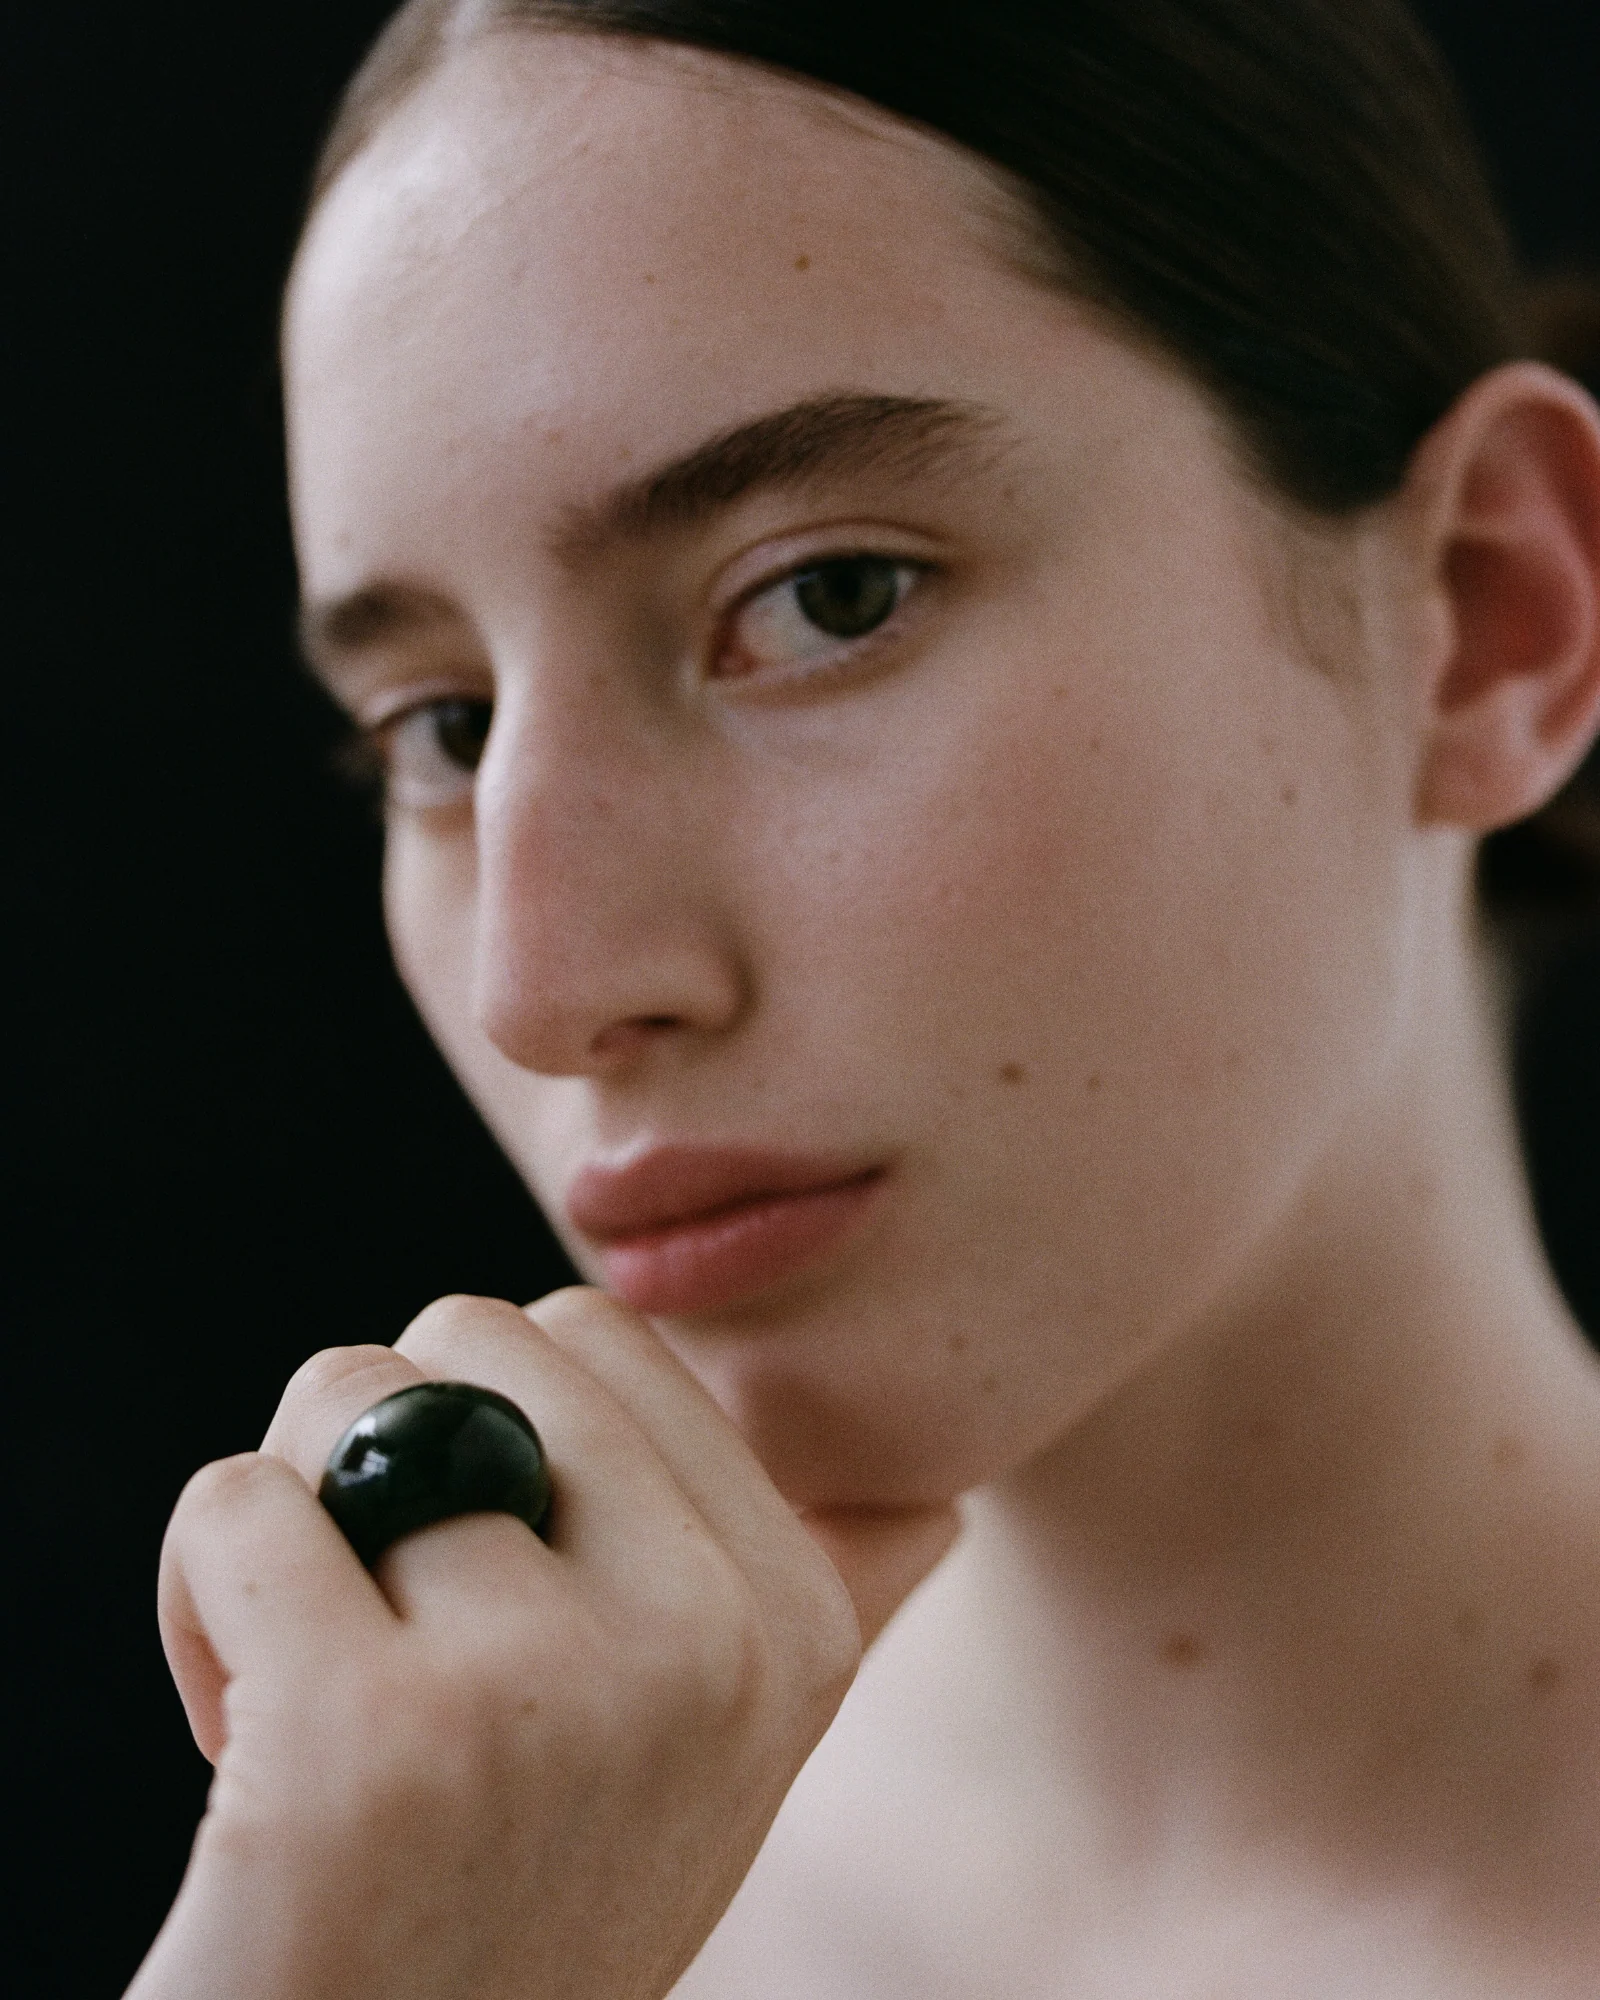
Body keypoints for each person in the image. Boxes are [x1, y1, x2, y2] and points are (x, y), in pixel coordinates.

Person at [127, 2, 1600, 1993]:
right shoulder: (434, 1882)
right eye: (443, 728)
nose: (544, 987)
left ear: (1490, 614)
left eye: (826, 597)